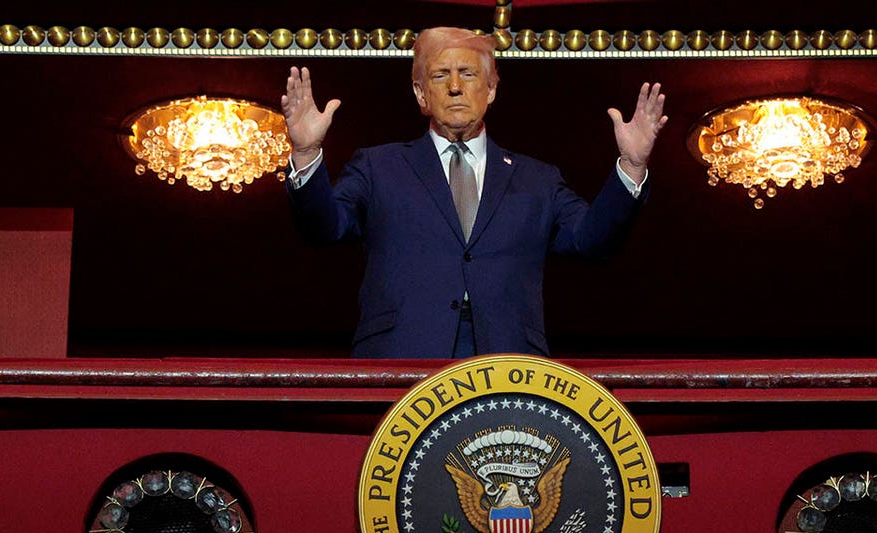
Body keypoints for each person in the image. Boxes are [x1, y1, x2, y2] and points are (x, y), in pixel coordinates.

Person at [282, 27, 667, 359]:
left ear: (492, 89)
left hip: (507, 363)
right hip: (403, 358)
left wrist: (632, 167)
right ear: (420, 94)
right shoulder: (377, 167)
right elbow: (325, 228)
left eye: (467, 73)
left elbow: (592, 241)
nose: (454, 87)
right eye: (439, 76)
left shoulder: (538, 180)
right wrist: (306, 154)